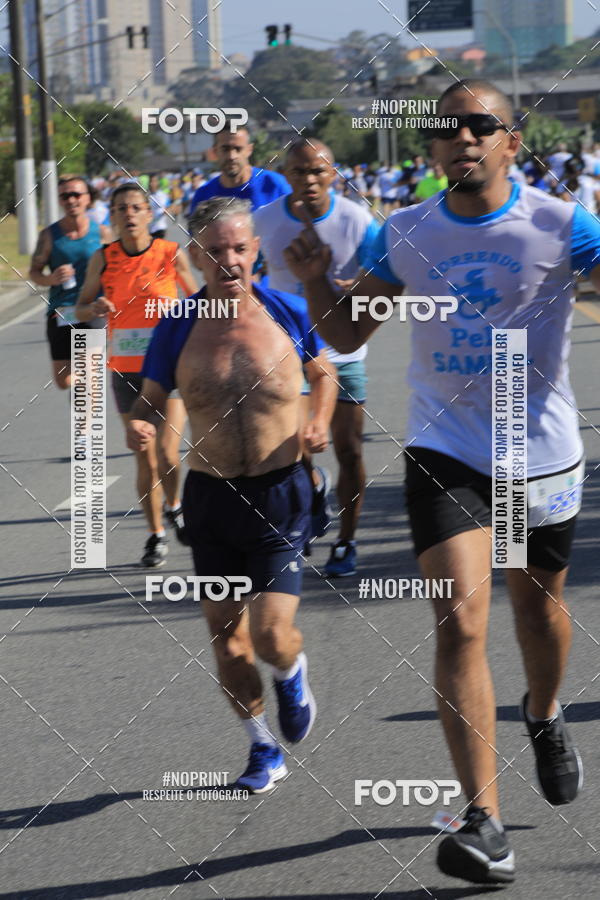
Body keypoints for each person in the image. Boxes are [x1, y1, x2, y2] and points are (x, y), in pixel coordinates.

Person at [283, 78, 600, 884]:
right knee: (460, 621)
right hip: (445, 448)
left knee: (537, 612)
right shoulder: (408, 231)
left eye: (479, 125)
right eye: (445, 129)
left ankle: (544, 712)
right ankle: (483, 822)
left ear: (509, 142)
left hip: (538, 452)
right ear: (429, 150)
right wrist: (318, 277)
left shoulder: (564, 225)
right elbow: (350, 328)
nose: (462, 137)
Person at [127, 197, 337, 792]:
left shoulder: (288, 310)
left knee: (271, 636)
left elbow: (325, 375)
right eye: (215, 251)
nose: (230, 261)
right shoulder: (177, 326)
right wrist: (139, 422)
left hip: (281, 493)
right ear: (196, 254)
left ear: (256, 251)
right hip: (212, 498)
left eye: (240, 248)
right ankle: (262, 749)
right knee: (225, 636)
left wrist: (318, 420)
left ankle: (292, 671)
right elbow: (149, 397)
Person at [254, 138, 380, 577]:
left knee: (347, 449)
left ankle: (347, 541)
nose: (308, 180)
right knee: (294, 452)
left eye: (317, 172)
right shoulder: (264, 221)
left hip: (345, 350)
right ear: (286, 175)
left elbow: (381, 278)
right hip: (288, 353)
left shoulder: (356, 219)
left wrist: (352, 291)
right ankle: (306, 508)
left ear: (333, 174)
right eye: (299, 172)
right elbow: (247, 280)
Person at [75, 183, 198, 566]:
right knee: (144, 457)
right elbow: (77, 309)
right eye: (120, 209)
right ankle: (155, 535)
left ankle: (175, 505)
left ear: (149, 213)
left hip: (168, 369)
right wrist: (94, 307)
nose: (128, 215)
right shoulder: (103, 259)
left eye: (136, 207)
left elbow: (199, 303)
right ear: (111, 216)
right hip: (126, 370)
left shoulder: (169, 253)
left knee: (167, 452)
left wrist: (179, 314)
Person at [29, 175, 112, 390]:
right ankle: (83, 385)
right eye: (65, 195)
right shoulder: (49, 235)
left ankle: (85, 418)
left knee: (89, 373)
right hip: (62, 311)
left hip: (94, 309)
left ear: (88, 199)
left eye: (76, 194)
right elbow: (34, 272)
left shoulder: (102, 233)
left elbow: (116, 269)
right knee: (63, 381)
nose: (71, 199)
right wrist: (51, 278)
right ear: (60, 200)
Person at [190, 121, 290, 214]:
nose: (231, 156)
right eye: (225, 149)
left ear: (249, 150)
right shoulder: (203, 196)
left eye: (238, 149)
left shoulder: (276, 185)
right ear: (215, 151)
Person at [148, 173, 171, 239]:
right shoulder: (147, 196)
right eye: (151, 181)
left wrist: (165, 212)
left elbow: (169, 207)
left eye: (155, 181)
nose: (152, 183)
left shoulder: (163, 195)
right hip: (149, 227)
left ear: (158, 183)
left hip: (160, 227)